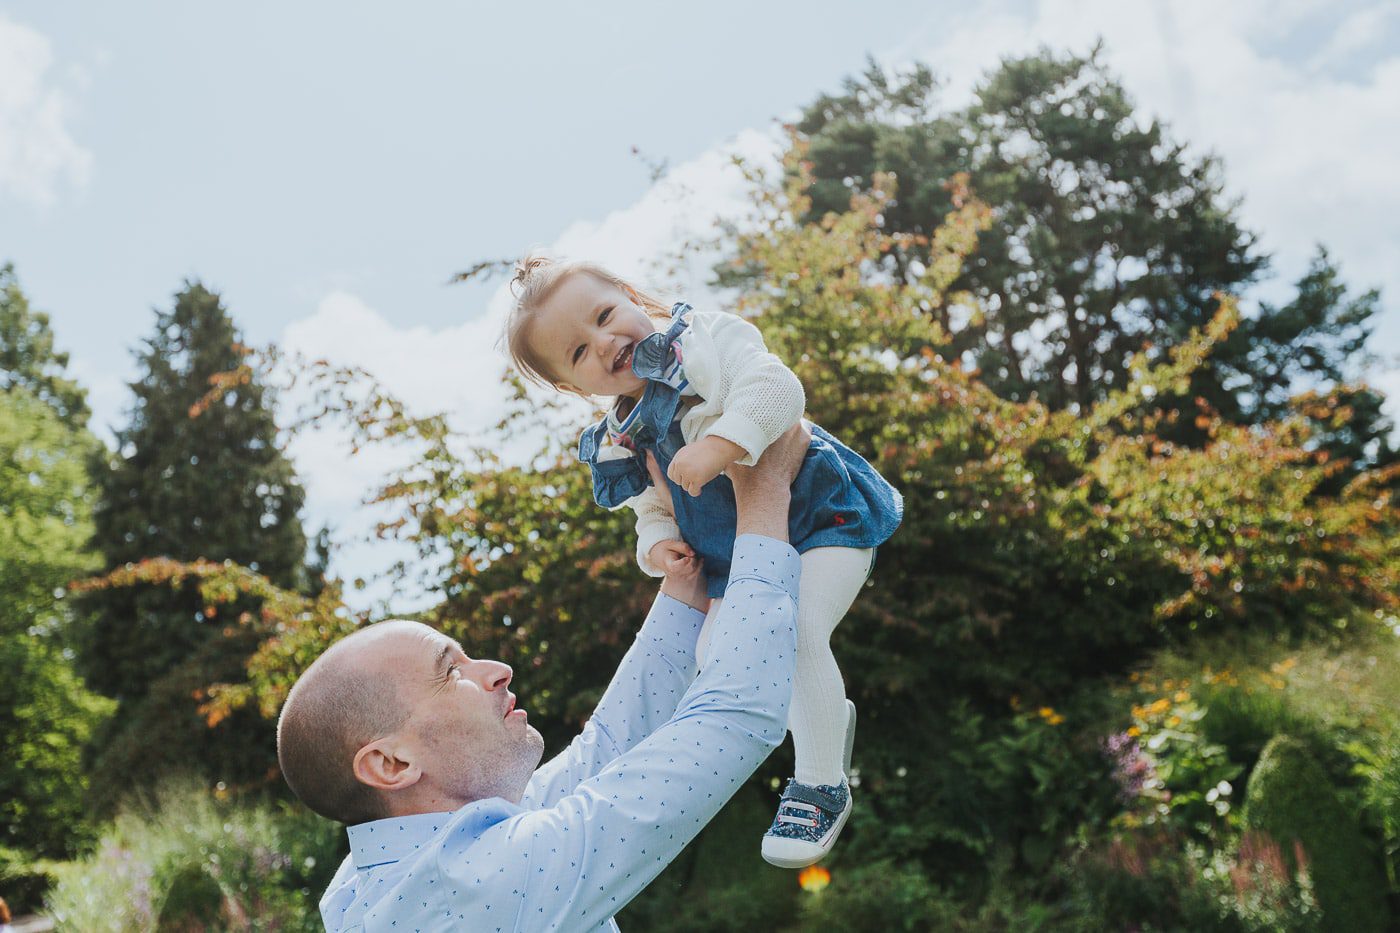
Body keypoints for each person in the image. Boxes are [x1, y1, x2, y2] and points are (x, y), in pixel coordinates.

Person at [277, 423, 811, 931]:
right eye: (450, 672)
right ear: (390, 764)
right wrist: (763, 495)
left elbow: (606, 753)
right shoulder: (465, 889)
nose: (497, 671)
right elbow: (733, 716)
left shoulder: (409, 862)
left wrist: (686, 581)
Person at [503, 254, 902, 867]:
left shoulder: (706, 341)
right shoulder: (622, 435)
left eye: (607, 315)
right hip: (735, 558)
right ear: (573, 386)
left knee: (793, 635)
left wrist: (721, 444)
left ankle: (821, 781)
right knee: (723, 659)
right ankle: (821, 718)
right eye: (579, 352)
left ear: (636, 298)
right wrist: (658, 546)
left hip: (823, 517)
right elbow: (651, 506)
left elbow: (778, 389)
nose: (605, 342)